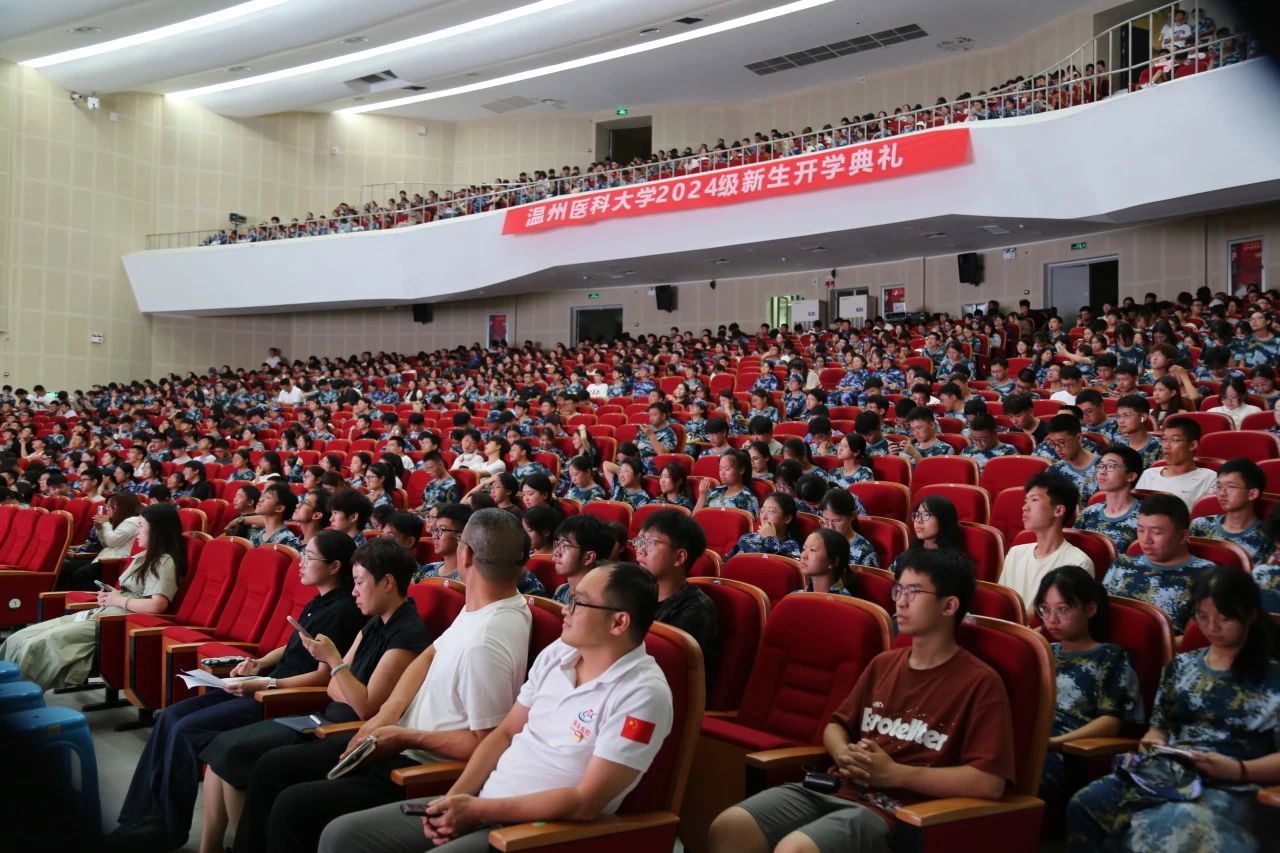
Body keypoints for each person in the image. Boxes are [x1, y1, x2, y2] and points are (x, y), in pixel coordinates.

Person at [232, 509, 535, 853]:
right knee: (273, 767)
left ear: (465, 555)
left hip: (418, 765)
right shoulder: (484, 605)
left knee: (293, 806)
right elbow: (429, 655)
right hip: (394, 739)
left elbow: (485, 742)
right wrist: (386, 716)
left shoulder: (486, 641)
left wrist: (403, 735)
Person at [317, 562, 673, 853]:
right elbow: (504, 733)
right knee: (342, 835)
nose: (566, 608)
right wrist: (455, 798)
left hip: (541, 833)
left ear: (619, 622)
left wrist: (479, 810)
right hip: (486, 803)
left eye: (579, 602)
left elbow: (586, 802)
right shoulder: (559, 653)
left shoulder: (642, 694)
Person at [707, 548, 1015, 853]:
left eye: (914, 592)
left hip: (897, 810)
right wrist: (842, 753)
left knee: (796, 849)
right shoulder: (884, 663)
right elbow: (836, 726)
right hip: (838, 788)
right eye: (899, 590)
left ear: (949, 606)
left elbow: (989, 782)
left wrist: (896, 774)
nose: (901, 601)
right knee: (729, 827)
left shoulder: (980, 682)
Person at [195, 537, 430, 853]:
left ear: (387, 583)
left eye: (360, 582)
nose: (354, 591)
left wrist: (334, 661)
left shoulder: (407, 634)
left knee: (263, 764)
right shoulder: (375, 622)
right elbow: (334, 688)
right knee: (234, 751)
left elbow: (365, 707)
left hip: (349, 732)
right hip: (325, 717)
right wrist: (343, 677)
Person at [1066, 567, 1280, 852]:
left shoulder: (1273, 679)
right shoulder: (1181, 666)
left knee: (1174, 823)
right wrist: (1153, 743)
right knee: (1086, 803)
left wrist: (1238, 770)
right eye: (1202, 617)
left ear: (1251, 615)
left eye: (1224, 619)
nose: (1212, 627)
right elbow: (1159, 729)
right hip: (1170, 773)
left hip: (1231, 784)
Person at [2, 503, 185, 690]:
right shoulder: (145, 556)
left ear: (157, 530)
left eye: (141, 526)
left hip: (116, 623)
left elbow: (157, 605)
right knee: (19, 637)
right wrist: (113, 595)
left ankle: (17, 695)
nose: (137, 531)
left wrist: (118, 599)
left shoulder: (165, 562)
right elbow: (132, 592)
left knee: (38, 644)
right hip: (104, 613)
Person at [1033, 566, 1142, 795]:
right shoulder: (1043, 651)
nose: (1052, 619)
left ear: (1090, 609)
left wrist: (1052, 743)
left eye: (1063, 610)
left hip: (1067, 751)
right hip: (1031, 737)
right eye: (1045, 609)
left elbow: (1110, 723)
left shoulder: (1109, 656)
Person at [1102, 494, 1215, 633]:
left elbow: (1201, 635)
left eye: (1156, 532)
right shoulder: (1122, 564)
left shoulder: (1207, 577)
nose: (1146, 539)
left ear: (1182, 536)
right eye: (1141, 530)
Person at [634, 508, 719, 686]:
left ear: (679, 557)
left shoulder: (696, 609)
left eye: (650, 543)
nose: (640, 550)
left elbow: (670, 672)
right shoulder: (632, 592)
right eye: (640, 541)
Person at [999, 472, 1094, 607]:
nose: (1025, 507)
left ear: (1058, 510)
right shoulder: (1015, 553)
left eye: (1034, 500)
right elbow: (1002, 604)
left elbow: (1067, 615)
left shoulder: (1078, 563)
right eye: (1026, 501)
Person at [1188, 458, 1272, 562]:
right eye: (1219, 486)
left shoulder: (1267, 537)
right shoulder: (1200, 526)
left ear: (1252, 494)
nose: (1222, 493)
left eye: (1231, 486)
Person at [55, 491, 142, 590]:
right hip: (105, 559)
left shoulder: (132, 521)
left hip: (115, 563)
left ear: (123, 508)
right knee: (66, 568)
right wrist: (100, 529)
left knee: (80, 575)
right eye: (107, 506)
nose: (107, 509)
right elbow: (106, 544)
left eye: (111, 507)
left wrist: (105, 524)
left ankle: (76, 598)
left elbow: (112, 541)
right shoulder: (120, 521)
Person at [1135, 418, 1217, 510]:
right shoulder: (1149, 474)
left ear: (1192, 445)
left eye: (1174, 440)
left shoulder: (1209, 478)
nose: (1166, 446)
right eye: (1164, 439)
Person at [1076, 444, 1144, 554]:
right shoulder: (1088, 513)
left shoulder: (1145, 516)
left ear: (1131, 476)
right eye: (1100, 466)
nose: (1102, 471)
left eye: (1111, 466)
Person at [549, 514, 613, 605]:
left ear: (588, 557)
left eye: (565, 546)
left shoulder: (598, 603)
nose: (556, 552)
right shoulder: (562, 590)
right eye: (558, 544)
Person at [890, 494, 963, 573]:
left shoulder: (953, 564)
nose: (918, 520)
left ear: (943, 520)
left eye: (926, 515)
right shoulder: (905, 557)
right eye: (917, 515)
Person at [1045, 414, 1099, 509]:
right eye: (1053, 443)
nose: (1057, 449)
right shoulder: (1054, 471)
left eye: (1062, 442)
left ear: (1079, 438)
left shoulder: (1103, 467)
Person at [726, 493, 802, 559]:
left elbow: (775, 567)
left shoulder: (792, 546)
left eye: (771, 511)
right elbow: (728, 562)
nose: (764, 517)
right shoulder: (748, 538)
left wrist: (770, 539)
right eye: (762, 511)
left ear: (787, 518)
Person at [818, 487, 878, 567]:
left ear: (852, 516)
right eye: (825, 520)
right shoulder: (819, 540)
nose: (830, 527)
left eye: (836, 521)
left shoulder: (864, 552)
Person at [413, 503, 473, 581]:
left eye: (441, 530)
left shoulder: (469, 579)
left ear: (461, 536)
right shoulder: (426, 570)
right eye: (435, 530)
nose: (434, 536)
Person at [695, 449, 759, 513]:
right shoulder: (715, 491)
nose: (722, 473)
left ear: (741, 470)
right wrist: (702, 496)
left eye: (727, 469)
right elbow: (695, 517)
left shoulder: (748, 499)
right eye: (720, 469)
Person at [797, 528, 854, 595]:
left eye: (812, 550)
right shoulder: (796, 596)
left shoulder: (842, 600)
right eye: (804, 549)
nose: (803, 556)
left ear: (833, 561)